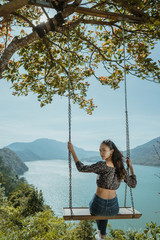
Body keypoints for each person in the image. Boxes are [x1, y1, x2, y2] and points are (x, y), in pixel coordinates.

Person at [68, 139, 137, 240]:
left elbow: (81, 168)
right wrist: (130, 166)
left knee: (95, 205)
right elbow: (133, 184)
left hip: (97, 206)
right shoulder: (120, 168)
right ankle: (102, 235)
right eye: (100, 150)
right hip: (114, 208)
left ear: (111, 151)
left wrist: (72, 151)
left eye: (104, 150)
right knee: (105, 212)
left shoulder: (102, 166)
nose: (101, 153)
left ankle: (101, 234)